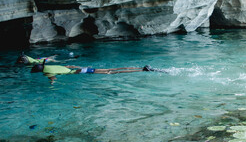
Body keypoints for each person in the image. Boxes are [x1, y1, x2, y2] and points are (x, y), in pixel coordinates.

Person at [30, 61, 161, 83]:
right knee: (113, 70)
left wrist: (51, 83)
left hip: (81, 72)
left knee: (111, 72)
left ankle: (143, 70)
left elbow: (53, 79)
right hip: (80, 69)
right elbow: (68, 65)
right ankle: (142, 68)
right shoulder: (51, 66)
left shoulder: (47, 73)